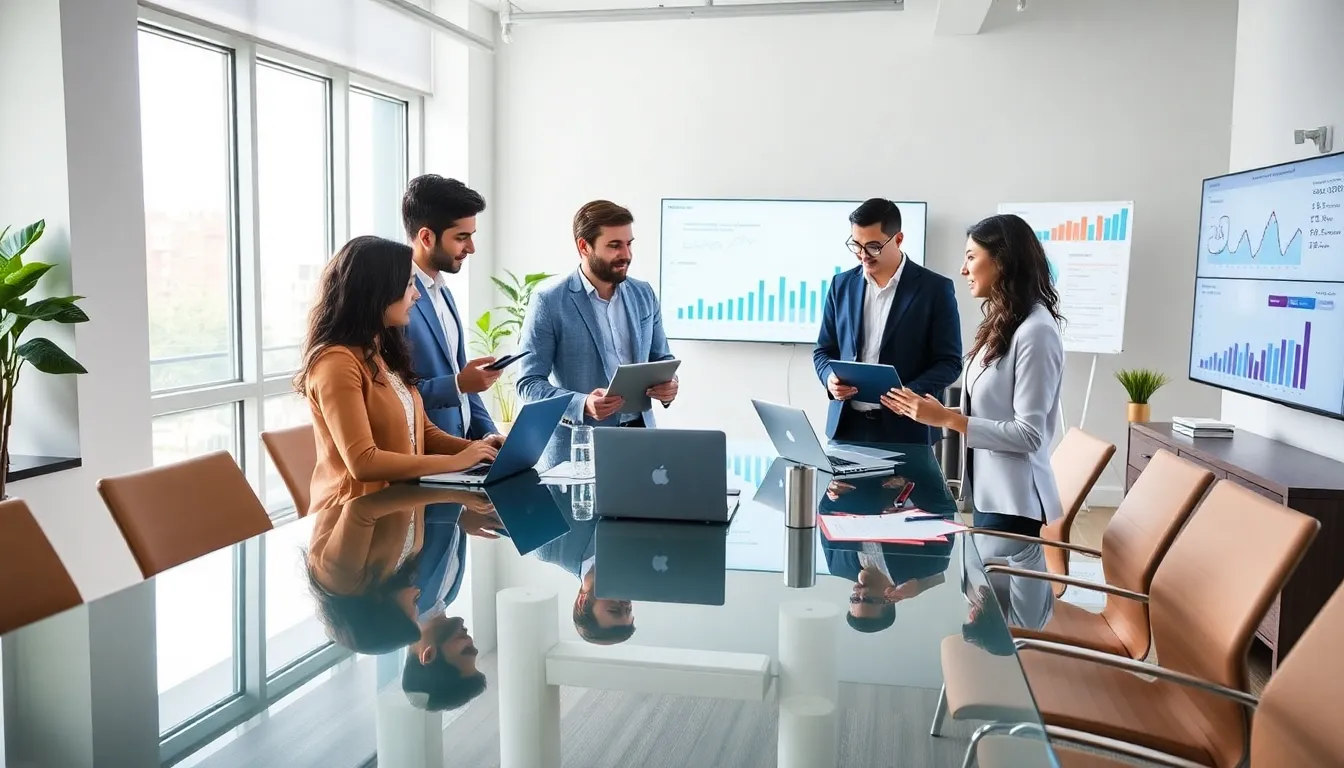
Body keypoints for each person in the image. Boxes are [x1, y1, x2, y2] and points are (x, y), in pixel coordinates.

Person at [886, 213, 1066, 539]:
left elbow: (1030, 435)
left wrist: (948, 419)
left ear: (1003, 261)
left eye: (971, 257)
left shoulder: (1036, 331)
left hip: (1016, 505)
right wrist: (933, 414)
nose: (963, 269)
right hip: (990, 495)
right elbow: (995, 411)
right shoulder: (1006, 322)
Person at [297, 235, 498, 513]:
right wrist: (459, 461)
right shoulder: (336, 363)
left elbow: (424, 434)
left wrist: (480, 449)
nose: (416, 294)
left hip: (397, 515)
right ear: (376, 293)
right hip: (350, 523)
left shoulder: (381, 352)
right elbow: (363, 462)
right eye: (408, 285)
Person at [516, 200, 677, 430]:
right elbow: (528, 383)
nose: (626, 255)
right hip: (579, 444)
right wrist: (581, 404)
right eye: (614, 246)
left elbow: (662, 359)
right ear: (584, 246)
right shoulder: (549, 302)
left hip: (641, 436)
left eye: (629, 244)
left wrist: (670, 386)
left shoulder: (644, 294)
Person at [813, 198, 963, 445]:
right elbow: (823, 351)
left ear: (898, 239)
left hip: (908, 431)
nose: (863, 255)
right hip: (845, 429)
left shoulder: (934, 289)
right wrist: (829, 378)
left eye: (873, 246)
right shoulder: (841, 285)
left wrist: (908, 394)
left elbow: (950, 362)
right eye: (856, 245)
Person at [401, 175, 504, 445]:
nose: (471, 248)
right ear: (426, 237)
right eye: (462, 237)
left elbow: (463, 384)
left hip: (464, 454)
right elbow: (393, 396)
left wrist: (489, 434)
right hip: (424, 458)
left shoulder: (443, 291)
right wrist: (459, 383)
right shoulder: (394, 302)